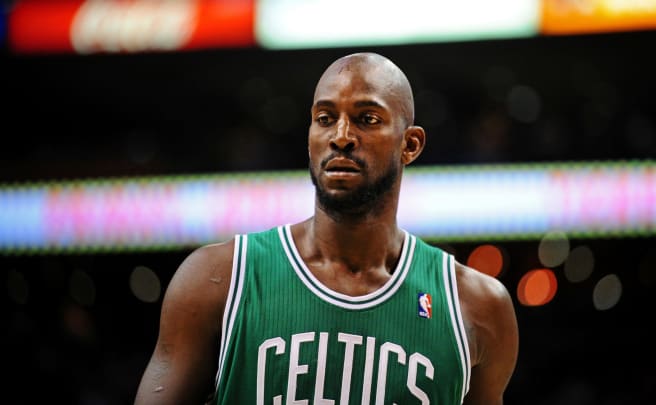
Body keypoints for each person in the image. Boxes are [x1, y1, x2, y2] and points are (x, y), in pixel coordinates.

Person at [134, 52, 519, 405]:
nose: (341, 136)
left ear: (411, 144)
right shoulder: (218, 277)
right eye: (325, 118)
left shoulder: (478, 306)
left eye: (367, 119)